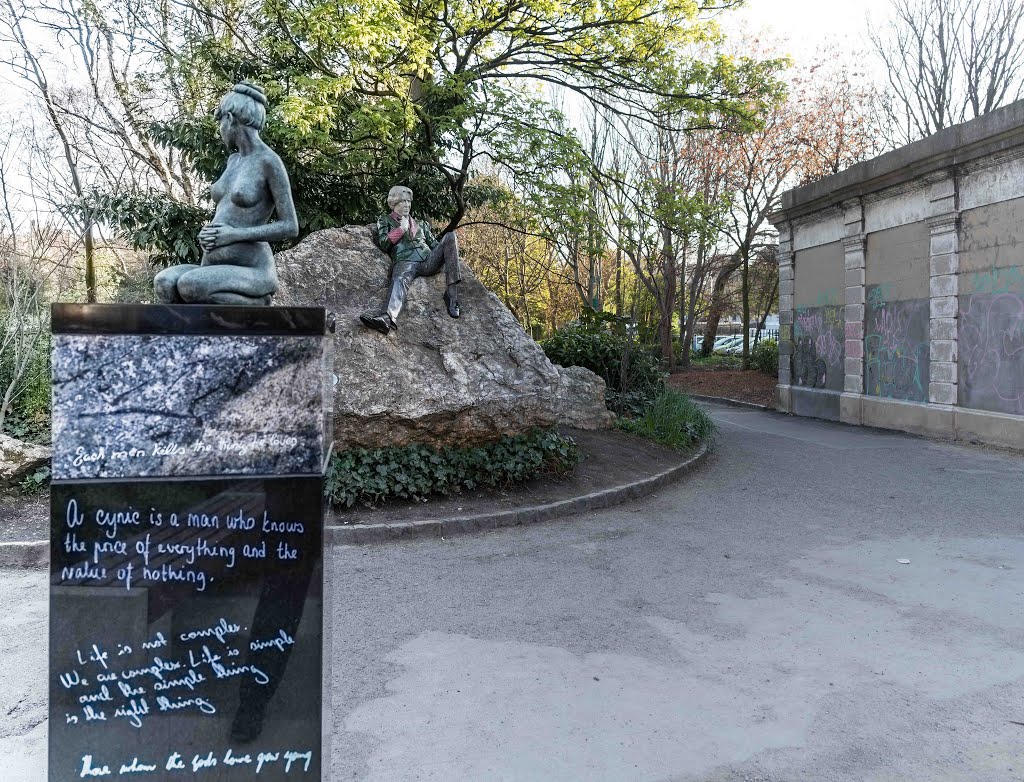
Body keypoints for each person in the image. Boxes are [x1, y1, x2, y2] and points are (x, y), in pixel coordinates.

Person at [154, 82, 298, 305]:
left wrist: (234, 235)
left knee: (190, 285)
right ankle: (192, 339)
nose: (220, 129)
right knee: (164, 282)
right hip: (211, 267)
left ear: (229, 119)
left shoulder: (269, 162)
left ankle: (260, 303)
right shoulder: (233, 162)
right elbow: (225, 212)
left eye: (220, 122)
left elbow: (290, 226)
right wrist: (208, 234)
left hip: (252, 270)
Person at [360, 185, 461, 334]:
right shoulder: (385, 220)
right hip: (405, 261)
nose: (407, 205)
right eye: (402, 202)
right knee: (399, 279)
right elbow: (383, 244)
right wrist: (400, 229)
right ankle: (387, 318)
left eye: (408, 201)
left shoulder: (421, 224)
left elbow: (434, 245)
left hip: (428, 260)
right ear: (393, 203)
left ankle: (452, 296)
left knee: (450, 236)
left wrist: (450, 252)